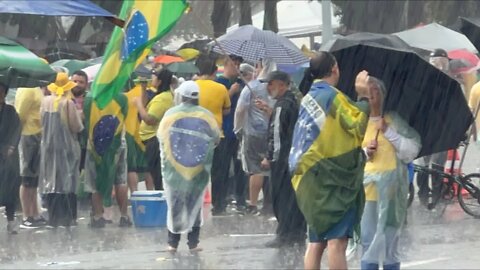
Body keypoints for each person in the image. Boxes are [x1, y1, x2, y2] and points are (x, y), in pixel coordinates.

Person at [289, 52, 371, 269]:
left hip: (306, 177)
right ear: (334, 69)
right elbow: (358, 125)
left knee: (316, 241)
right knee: (337, 240)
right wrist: (363, 96)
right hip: (329, 179)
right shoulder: (332, 97)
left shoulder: (308, 97)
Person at [360, 77, 421, 270]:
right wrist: (364, 153)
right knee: (367, 240)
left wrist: (387, 130)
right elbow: (346, 155)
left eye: (376, 91)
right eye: (367, 92)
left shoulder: (393, 120)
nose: (372, 96)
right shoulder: (357, 122)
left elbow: (410, 151)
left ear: (383, 95)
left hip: (392, 194)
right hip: (366, 194)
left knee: (390, 242)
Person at [158, 81, 220, 252]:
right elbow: (216, 138)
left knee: (175, 204)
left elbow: (161, 137)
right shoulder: (206, 115)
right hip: (198, 169)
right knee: (195, 204)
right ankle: (193, 243)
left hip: (174, 170)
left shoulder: (171, 114)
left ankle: (172, 242)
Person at [257, 71, 307, 248]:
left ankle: (285, 234)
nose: (268, 88)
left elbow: (277, 135)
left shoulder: (281, 106)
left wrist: (270, 158)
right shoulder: (293, 101)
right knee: (293, 197)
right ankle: (297, 232)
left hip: (283, 160)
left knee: (281, 197)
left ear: (282, 84)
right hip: (294, 157)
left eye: (271, 84)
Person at [39, 72, 84, 227]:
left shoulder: (44, 102)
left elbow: (40, 123)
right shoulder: (67, 103)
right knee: (68, 181)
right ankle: (68, 217)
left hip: (48, 148)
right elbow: (76, 126)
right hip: (67, 148)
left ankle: (53, 217)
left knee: (51, 181)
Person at [83, 91, 132, 228]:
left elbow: (86, 119)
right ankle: (124, 216)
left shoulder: (90, 98)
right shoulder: (122, 98)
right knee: (120, 180)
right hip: (118, 142)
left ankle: (98, 217)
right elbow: (125, 115)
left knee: (94, 179)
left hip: (95, 144)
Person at [234, 59, 276, 215]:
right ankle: (270, 203)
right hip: (271, 132)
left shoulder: (252, 87)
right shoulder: (276, 86)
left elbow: (240, 110)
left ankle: (252, 204)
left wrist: (237, 128)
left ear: (260, 67)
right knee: (271, 168)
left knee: (256, 169)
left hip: (253, 133)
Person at [194, 54, 232, 216]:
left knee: (195, 171)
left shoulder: (192, 86)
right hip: (217, 136)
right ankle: (219, 204)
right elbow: (227, 109)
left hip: (195, 135)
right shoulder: (221, 88)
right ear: (214, 71)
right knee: (219, 172)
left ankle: (194, 202)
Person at [415, 48, 450, 207]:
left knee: (435, 163)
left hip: (439, 129)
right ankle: (425, 192)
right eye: (437, 62)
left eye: (442, 63)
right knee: (425, 163)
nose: (440, 66)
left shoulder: (448, 83)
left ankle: (435, 192)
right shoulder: (424, 82)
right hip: (427, 128)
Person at [136, 69, 175, 191]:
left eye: (154, 77)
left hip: (154, 139)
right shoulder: (162, 96)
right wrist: (143, 90)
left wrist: (138, 104)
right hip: (151, 139)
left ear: (159, 81)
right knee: (152, 172)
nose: (151, 79)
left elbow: (149, 119)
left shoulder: (163, 99)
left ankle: (158, 198)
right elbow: (146, 107)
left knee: (155, 174)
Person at [215, 55, 245, 209]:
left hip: (238, 130)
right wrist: (230, 92)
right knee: (223, 167)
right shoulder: (219, 83)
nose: (237, 67)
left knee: (240, 167)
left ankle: (241, 199)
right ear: (226, 64)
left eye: (239, 64)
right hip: (225, 130)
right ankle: (220, 200)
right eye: (234, 64)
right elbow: (218, 104)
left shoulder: (240, 83)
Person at [15, 87, 46, 229]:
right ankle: (27, 215)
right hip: (28, 134)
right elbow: (20, 114)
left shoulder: (37, 89)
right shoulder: (27, 90)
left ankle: (35, 213)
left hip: (38, 133)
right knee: (27, 177)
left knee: (34, 178)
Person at [0, 82, 21, 234]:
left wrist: (11, 147)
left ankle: (11, 220)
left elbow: (17, 129)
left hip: (9, 157)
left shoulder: (11, 111)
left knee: (10, 188)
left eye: (2, 91)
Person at [125, 78, 149, 192]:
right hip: (139, 134)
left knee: (132, 168)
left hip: (132, 133)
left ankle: (136, 194)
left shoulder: (123, 95)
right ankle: (149, 193)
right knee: (143, 168)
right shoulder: (143, 91)